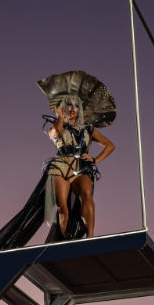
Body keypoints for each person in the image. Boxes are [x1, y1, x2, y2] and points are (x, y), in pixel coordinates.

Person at [45, 95, 114, 238]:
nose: (72, 109)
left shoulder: (88, 129)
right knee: (63, 208)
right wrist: (59, 116)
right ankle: (65, 238)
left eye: (76, 106)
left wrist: (95, 159)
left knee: (87, 195)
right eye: (69, 105)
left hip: (81, 168)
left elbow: (110, 145)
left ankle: (90, 235)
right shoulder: (58, 126)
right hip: (60, 168)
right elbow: (54, 133)